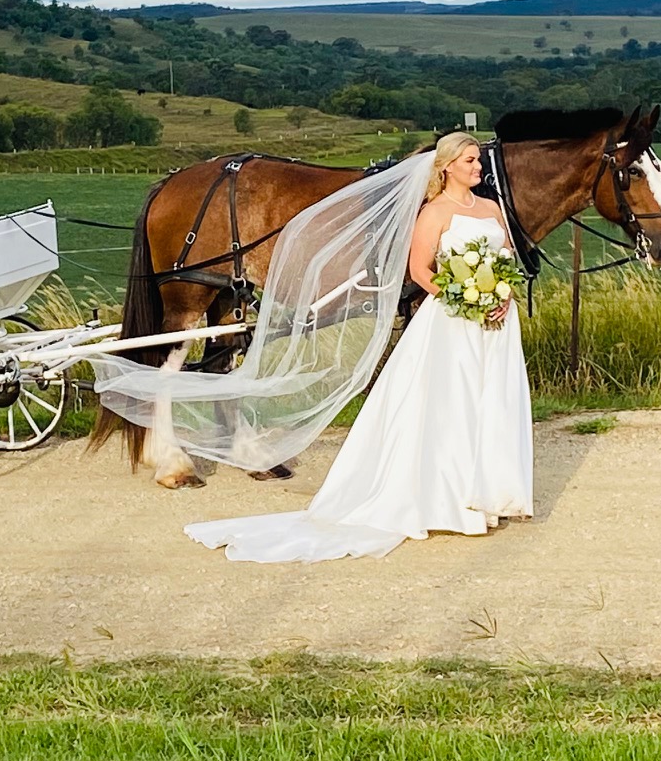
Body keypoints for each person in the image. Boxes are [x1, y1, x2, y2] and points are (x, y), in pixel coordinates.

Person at [184, 132, 534, 562]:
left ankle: (491, 493)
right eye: (469, 162)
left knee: (492, 400)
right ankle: (450, 500)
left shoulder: (490, 209)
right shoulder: (434, 213)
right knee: (453, 403)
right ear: (446, 168)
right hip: (455, 318)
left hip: (496, 320)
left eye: (478, 161)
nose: (478, 168)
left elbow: (505, 262)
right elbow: (420, 269)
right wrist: (461, 296)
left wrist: (503, 294)